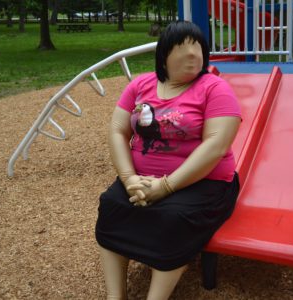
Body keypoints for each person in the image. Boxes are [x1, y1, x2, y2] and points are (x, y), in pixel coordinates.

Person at [95, 21, 241, 300]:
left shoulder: (215, 88)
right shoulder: (140, 84)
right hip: (139, 178)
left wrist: (167, 186)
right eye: (182, 47)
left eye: (197, 46)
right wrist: (128, 179)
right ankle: (116, 295)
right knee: (112, 204)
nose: (192, 54)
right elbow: (117, 130)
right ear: (163, 55)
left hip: (204, 183)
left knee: (171, 217)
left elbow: (216, 145)